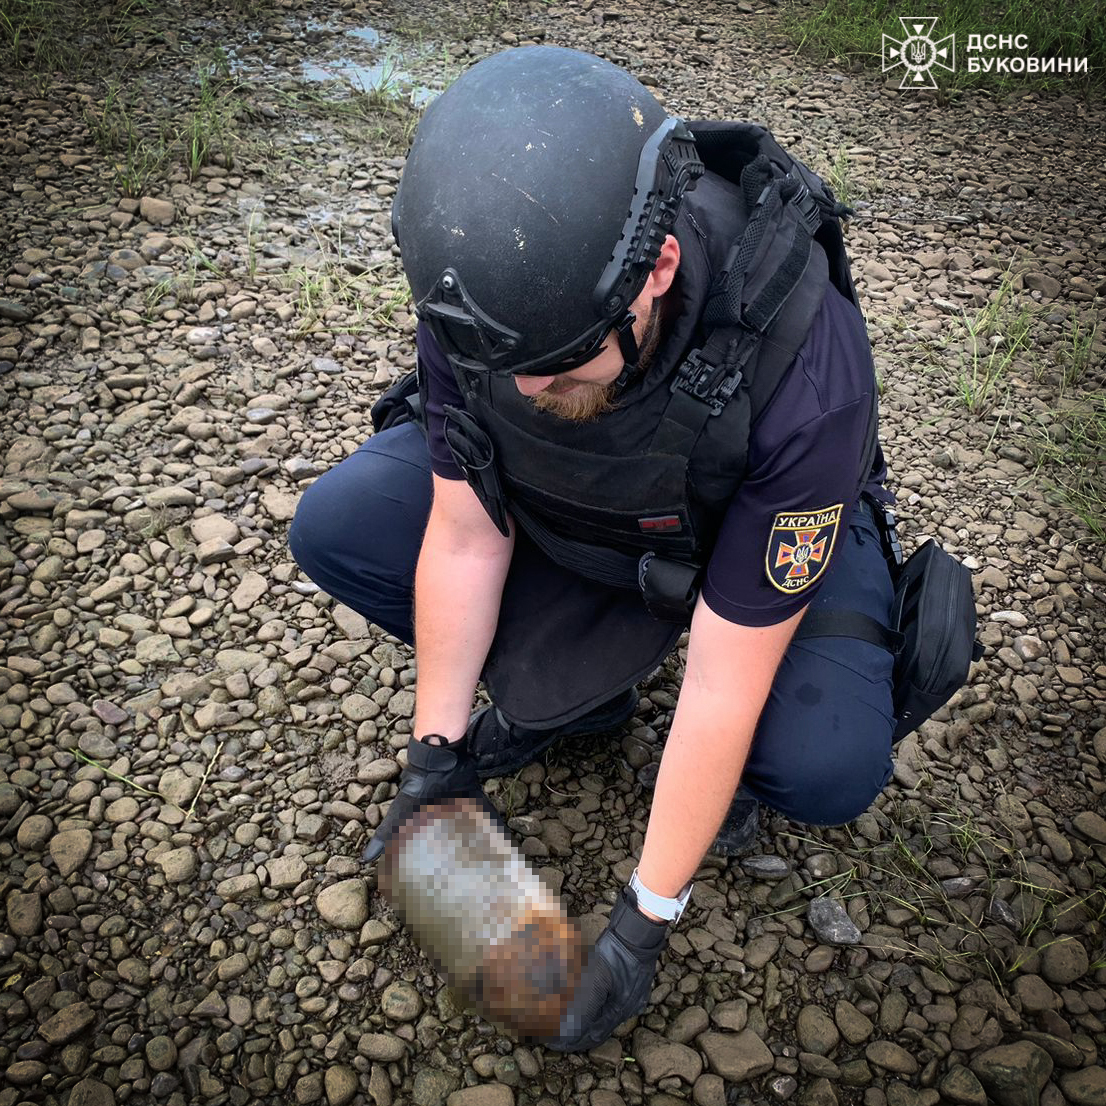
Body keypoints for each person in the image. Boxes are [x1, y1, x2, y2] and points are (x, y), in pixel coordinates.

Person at [290, 45, 899, 1051]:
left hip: (730, 536)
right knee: (342, 526)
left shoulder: (802, 366)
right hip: (607, 516)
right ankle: (585, 697)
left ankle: (731, 781)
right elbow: (464, 532)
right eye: (511, 367)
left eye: (560, 362)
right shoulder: (489, 297)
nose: (528, 389)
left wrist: (640, 922)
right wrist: (434, 756)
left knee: (821, 757)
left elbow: (723, 678)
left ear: (657, 272)